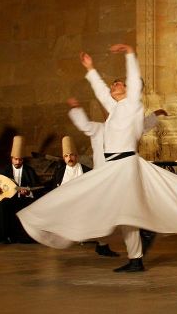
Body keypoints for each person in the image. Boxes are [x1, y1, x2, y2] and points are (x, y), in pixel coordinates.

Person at [18, 44, 177, 273]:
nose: (114, 85)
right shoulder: (116, 108)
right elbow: (101, 92)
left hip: (125, 165)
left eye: (119, 83)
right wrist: (90, 69)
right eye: (113, 83)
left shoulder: (132, 105)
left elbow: (135, 83)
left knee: (126, 211)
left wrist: (129, 54)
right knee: (113, 209)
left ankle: (134, 255)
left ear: (129, 90)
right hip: (112, 167)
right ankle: (133, 258)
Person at [67, 101, 167, 260]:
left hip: (121, 179)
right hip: (103, 180)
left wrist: (155, 115)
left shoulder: (126, 131)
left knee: (127, 216)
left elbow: (142, 127)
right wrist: (76, 109)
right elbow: (85, 125)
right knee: (102, 214)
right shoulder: (99, 129)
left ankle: (137, 251)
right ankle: (104, 245)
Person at [43, 134, 117, 256]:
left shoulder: (87, 170)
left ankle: (102, 246)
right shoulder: (59, 172)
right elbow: (53, 191)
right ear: (63, 158)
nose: (69, 158)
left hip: (85, 205)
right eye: (66, 156)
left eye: (71, 155)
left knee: (100, 216)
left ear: (76, 156)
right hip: (65, 206)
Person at [0, 135, 42, 243]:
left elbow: (36, 188)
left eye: (20, 159)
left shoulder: (30, 171)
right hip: (8, 199)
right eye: (15, 159)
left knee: (30, 206)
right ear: (11, 158)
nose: (18, 162)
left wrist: (28, 192)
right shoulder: (3, 169)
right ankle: (3, 237)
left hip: (24, 200)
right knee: (3, 205)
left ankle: (24, 237)